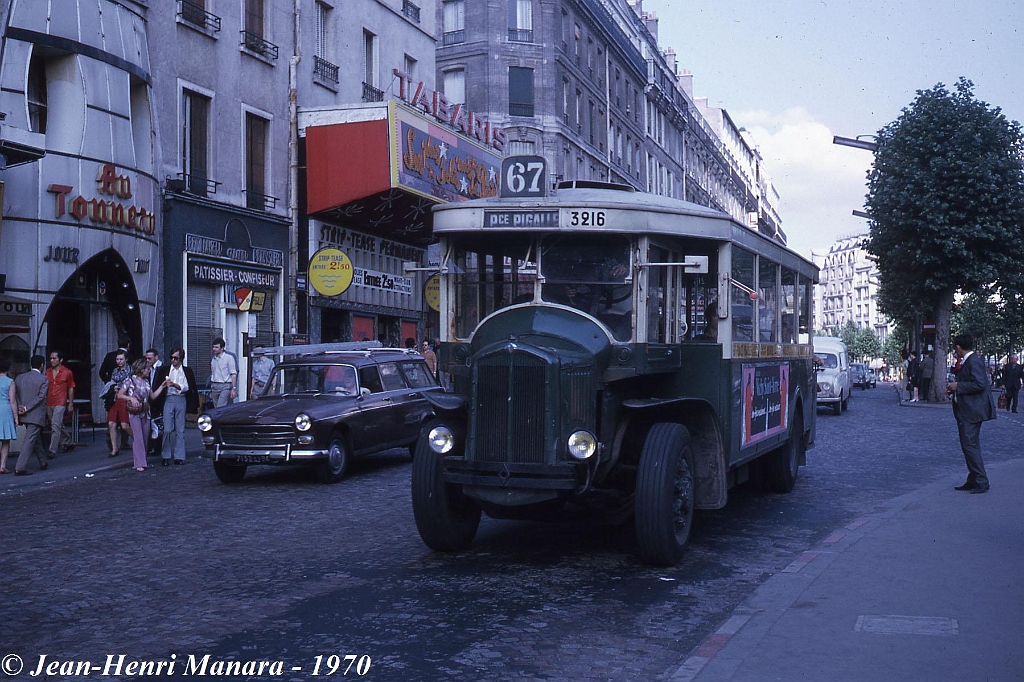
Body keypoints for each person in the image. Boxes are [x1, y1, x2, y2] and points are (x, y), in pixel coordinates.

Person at [946, 334, 996, 494]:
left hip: (972, 411)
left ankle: (980, 480)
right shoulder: (971, 360)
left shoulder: (973, 361)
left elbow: (980, 384)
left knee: (969, 445)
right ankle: (974, 478)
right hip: (969, 409)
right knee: (969, 445)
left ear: (958, 347)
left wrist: (958, 386)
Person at [152, 347, 199, 466]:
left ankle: (179, 456)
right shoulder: (165, 370)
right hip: (168, 399)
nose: (173, 360)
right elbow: (157, 385)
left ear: (181, 358)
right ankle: (165, 455)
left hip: (181, 399)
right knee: (167, 429)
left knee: (180, 429)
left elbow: (187, 387)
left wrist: (174, 385)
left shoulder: (187, 371)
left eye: (176, 358)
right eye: (171, 357)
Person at [118, 359, 166, 472]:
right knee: (138, 437)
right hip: (134, 412)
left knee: (144, 438)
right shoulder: (130, 381)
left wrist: (162, 386)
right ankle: (140, 463)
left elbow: (152, 396)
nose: (149, 371)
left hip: (145, 412)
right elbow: (120, 395)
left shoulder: (146, 382)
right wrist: (131, 398)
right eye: (147, 369)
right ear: (141, 370)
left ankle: (139, 461)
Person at [13, 355, 48, 475]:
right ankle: (20, 467)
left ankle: (43, 461)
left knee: (34, 438)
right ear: (42, 365)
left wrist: (20, 406)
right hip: (35, 415)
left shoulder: (20, 378)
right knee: (30, 440)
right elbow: (41, 397)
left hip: (23, 414)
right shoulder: (43, 379)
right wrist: (26, 408)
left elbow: (15, 394)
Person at [45, 350, 76, 457]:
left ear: (60, 360)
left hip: (60, 401)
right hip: (49, 401)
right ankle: (68, 441)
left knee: (55, 425)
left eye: (54, 358)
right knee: (56, 424)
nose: (52, 360)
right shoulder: (47, 372)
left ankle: (52, 450)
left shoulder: (67, 372)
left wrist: (70, 403)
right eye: (51, 358)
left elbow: (71, 388)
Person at [105, 349, 133, 458]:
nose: (119, 361)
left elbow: (132, 384)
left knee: (125, 425)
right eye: (117, 359)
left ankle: (139, 441)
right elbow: (112, 382)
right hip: (115, 398)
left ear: (126, 359)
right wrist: (113, 387)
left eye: (121, 359)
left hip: (125, 398)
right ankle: (114, 449)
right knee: (111, 423)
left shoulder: (130, 370)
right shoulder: (115, 370)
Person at [0, 359, 19, 474]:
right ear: (8, 369)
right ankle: (2, 466)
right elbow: (12, 400)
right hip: (5, 409)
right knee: (5, 440)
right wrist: (16, 416)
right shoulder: (10, 381)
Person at [210, 337, 237, 407]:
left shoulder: (229, 358)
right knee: (216, 408)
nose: (214, 349)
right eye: (213, 347)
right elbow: (213, 373)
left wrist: (233, 389)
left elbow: (233, 374)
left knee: (220, 407)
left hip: (225, 385)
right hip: (215, 386)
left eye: (216, 347)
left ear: (222, 348)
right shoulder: (213, 359)